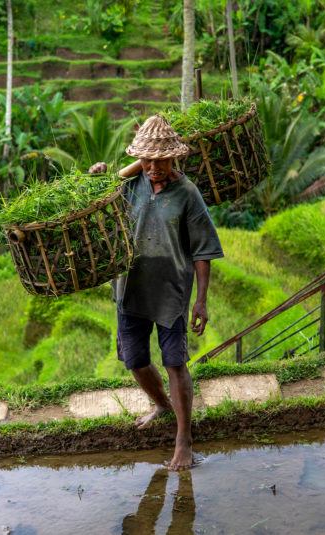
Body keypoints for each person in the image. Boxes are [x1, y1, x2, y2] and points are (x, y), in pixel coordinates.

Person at [93, 115, 224, 471]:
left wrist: (200, 300)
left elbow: (202, 251)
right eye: (146, 160)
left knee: (174, 363)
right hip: (129, 289)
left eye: (161, 161)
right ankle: (163, 406)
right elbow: (94, 203)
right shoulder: (129, 184)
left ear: (174, 158)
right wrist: (100, 176)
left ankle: (184, 439)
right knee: (135, 360)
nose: (153, 167)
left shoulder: (188, 194)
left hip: (170, 293)